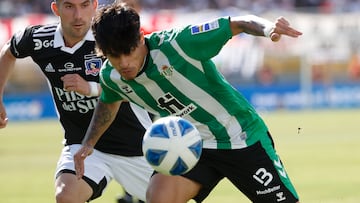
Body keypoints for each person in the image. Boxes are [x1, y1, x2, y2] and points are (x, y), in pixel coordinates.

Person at [74, 3, 303, 203]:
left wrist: (268, 28)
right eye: (114, 55)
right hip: (190, 145)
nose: (124, 63)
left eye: (129, 52)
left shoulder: (179, 44)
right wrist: (88, 143)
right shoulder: (111, 76)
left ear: (141, 38)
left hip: (240, 136)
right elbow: (109, 100)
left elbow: (238, 23)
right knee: (159, 197)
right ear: (103, 52)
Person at [0, 0, 153, 203]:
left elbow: (132, 86)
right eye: (69, 6)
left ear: (94, 6)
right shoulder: (38, 40)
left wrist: (88, 88)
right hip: (83, 147)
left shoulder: (110, 39)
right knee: (66, 196)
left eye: (84, 5)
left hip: (136, 147)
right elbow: (9, 51)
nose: (78, 15)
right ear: (56, 9)